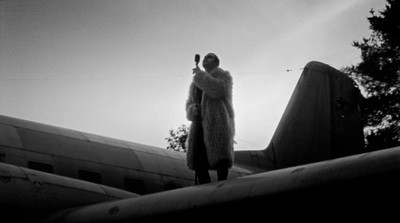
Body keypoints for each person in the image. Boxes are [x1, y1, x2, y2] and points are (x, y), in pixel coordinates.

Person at [185, 53, 235, 184]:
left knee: (220, 156)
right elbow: (189, 102)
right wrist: (193, 110)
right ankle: (204, 189)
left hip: (218, 122)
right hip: (199, 124)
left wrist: (200, 75)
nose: (206, 58)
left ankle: (222, 186)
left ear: (217, 62)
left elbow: (218, 90)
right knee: (199, 159)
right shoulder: (195, 83)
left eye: (210, 57)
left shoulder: (223, 76)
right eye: (205, 57)